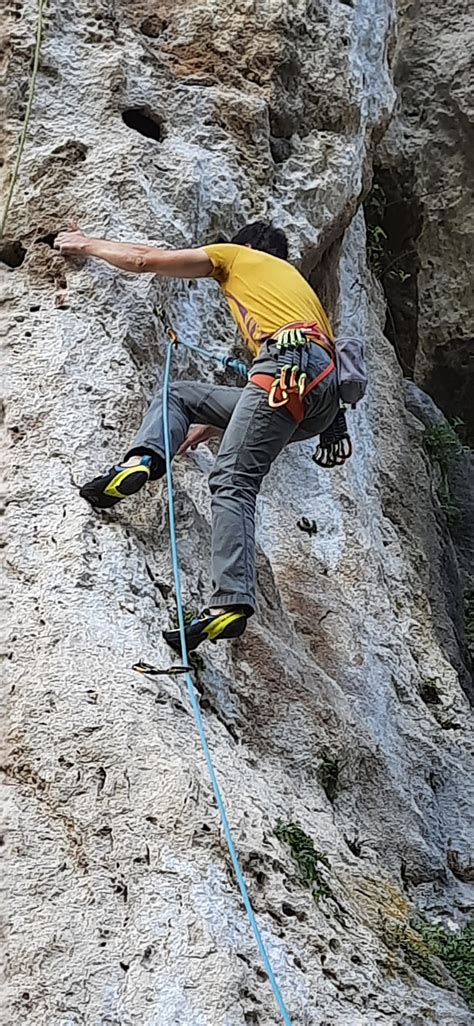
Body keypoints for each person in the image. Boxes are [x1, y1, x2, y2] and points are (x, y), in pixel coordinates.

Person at [55, 221, 339, 652]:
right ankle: (146, 458)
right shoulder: (297, 289)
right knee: (182, 396)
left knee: (234, 482)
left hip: (284, 368)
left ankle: (229, 600)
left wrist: (85, 244)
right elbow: (263, 408)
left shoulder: (238, 256)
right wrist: (212, 423)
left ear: (243, 245)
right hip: (318, 398)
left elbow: (143, 259)